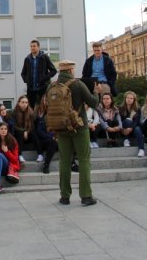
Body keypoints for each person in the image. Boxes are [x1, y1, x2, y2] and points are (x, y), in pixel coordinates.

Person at [49, 60, 99, 207]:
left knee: (64, 161)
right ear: (71, 70)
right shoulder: (77, 84)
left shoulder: (52, 86)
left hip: (61, 128)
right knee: (84, 160)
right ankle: (86, 196)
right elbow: (93, 102)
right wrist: (96, 91)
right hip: (79, 126)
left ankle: (64, 196)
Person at [21, 39, 57, 109]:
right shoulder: (27, 59)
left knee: (43, 107)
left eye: (34, 46)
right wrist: (27, 81)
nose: (32, 48)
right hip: (31, 88)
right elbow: (23, 73)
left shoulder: (44, 57)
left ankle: (43, 120)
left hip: (42, 88)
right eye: (31, 46)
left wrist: (44, 78)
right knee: (30, 109)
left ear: (38, 47)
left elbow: (54, 70)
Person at [0, 123, 20, 195]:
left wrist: (7, 152)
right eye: (1, 129)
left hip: (8, 167)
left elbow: (15, 160)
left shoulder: (12, 140)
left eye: (5, 129)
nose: (3, 130)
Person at [12, 95, 42, 165]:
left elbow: (32, 125)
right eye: (22, 102)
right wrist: (23, 132)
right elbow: (14, 126)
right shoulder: (14, 112)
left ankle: (40, 154)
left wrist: (27, 131)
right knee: (19, 133)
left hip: (28, 134)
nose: (24, 104)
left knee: (33, 133)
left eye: (26, 102)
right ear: (19, 103)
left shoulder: (31, 112)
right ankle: (20, 155)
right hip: (18, 135)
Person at [33, 94, 58, 173]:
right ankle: (46, 164)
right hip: (44, 140)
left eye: (48, 100)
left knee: (56, 142)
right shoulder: (40, 114)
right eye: (45, 100)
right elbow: (39, 131)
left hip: (55, 139)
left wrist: (55, 136)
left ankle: (72, 163)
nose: (46, 102)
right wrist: (51, 136)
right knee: (52, 142)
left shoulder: (54, 113)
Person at [119, 91, 145, 157]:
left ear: (134, 100)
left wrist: (131, 128)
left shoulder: (137, 108)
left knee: (137, 129)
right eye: (127, 98)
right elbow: (120, 121)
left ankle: (141, 149)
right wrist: (122, 129)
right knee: (127, 121)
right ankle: (126, 139)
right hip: (124, 129)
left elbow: (136, 121)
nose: (129, 99)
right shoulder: (121, 108)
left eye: (131, 98)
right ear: (125, 99)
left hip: (134, 128)